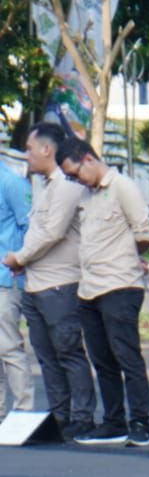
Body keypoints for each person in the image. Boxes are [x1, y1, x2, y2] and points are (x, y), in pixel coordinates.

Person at [61, 140, 149, 447]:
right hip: (90, 287)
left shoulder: (122, 187)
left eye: (75, 173)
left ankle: (140, 421)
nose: (75, 180)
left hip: (120, 284)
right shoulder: (86, 196)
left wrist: (126, 255)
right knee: (102, 360)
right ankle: (113, 421)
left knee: (127, 356)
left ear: (88, 159)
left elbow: (144, 233)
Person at [3, 122, 94, 439]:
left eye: (30, 149)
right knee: (47, 356)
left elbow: (51, 232)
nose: (26, 156)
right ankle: (60, 415)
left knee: (68, 351)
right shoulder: (43, 186)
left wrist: (20, 257)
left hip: (60, 283)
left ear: (46, 149)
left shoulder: (67, 186)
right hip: (35, 283)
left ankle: (82, 416)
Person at [0, 143, 34, 421]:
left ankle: (22, 410)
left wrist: (19, 262)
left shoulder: (12, 183)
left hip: (5, 278)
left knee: (8, 346)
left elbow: (30, 228)